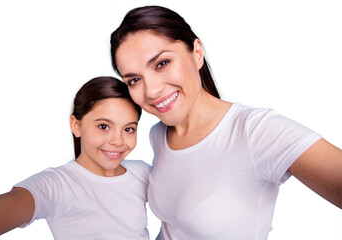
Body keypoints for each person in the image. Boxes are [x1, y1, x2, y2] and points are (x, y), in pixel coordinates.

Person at [110, 5, 342, 240]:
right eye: (134, 80)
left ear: (197, 52)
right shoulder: (159, 135)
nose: (151, 91)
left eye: (162, 63)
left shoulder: (254, 131)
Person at [0, 76, 151, 240]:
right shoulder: (56, 185)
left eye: (129, 129)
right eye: (104, 126)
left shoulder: (142, 172)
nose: (118, 141)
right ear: (76, 126)